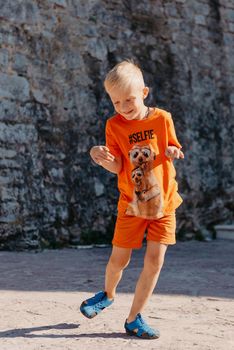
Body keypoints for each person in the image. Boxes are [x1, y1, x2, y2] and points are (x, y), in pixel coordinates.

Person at [80, 60, 184, 339]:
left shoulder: (162, 118)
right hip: (131, 204)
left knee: (155, 261)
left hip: (164, 203)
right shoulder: (114, 125)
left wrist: (173, 151)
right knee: (118, 261)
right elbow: (117, 165)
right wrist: (100, 157)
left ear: (145, 92)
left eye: (130, 99)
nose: (124, 107)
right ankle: (108, 294)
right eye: (116, 102)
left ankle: (133, 318)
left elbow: (173, 144)